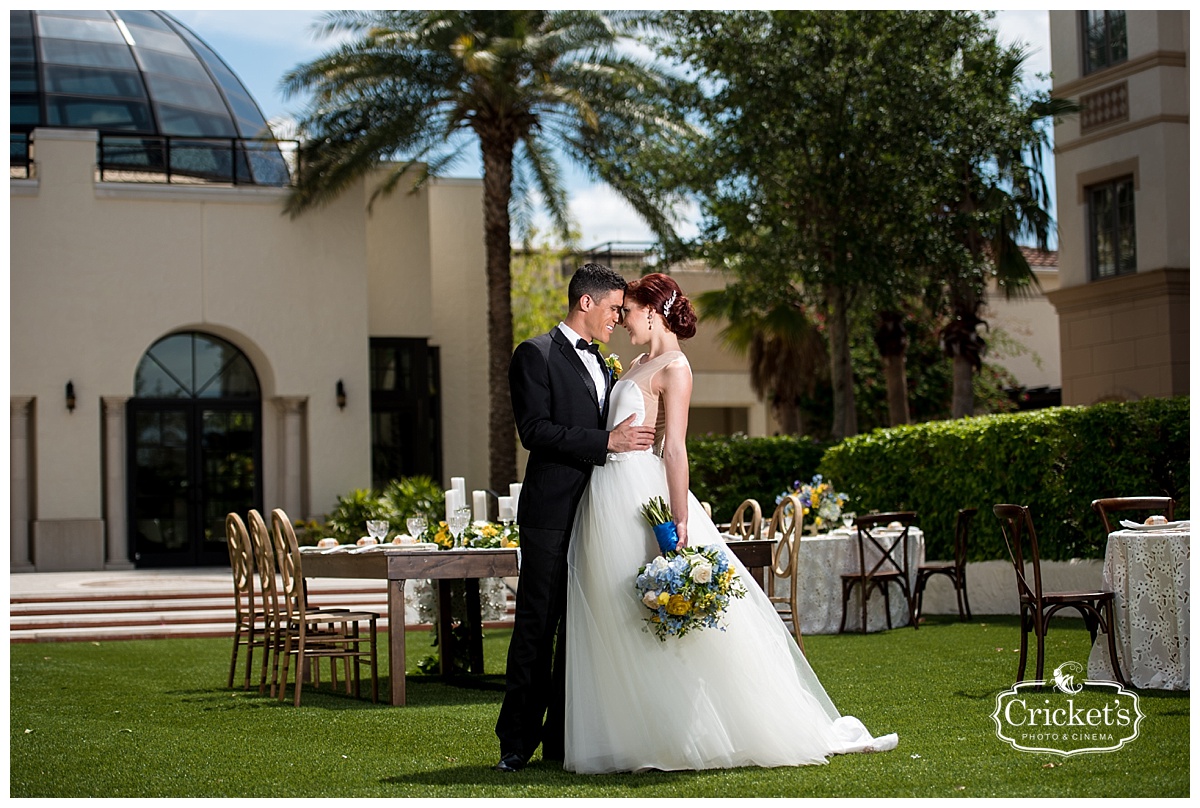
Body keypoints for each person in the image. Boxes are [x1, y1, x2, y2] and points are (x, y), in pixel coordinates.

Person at [563, 273, 898, 774]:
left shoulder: (675, 367)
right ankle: (634, 731)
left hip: (640, 495)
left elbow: (674, 447)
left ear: (652, 312)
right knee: (619, 611)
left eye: (628, 311)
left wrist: (678, 516)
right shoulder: (635, 363)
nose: (622, 319)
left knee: (655, 609)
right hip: (605, 495)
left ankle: (688, 730)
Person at [495, 263, 657, 773]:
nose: (618, 318)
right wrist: (605, 443)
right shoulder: (534, 354)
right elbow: (535, 430)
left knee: (582, 629)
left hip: (599, 516)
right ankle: (516, 742)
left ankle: (565, 740)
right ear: (585, 303)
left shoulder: (607, 365)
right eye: (613, 308)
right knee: (537, 625)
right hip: (550, 512)